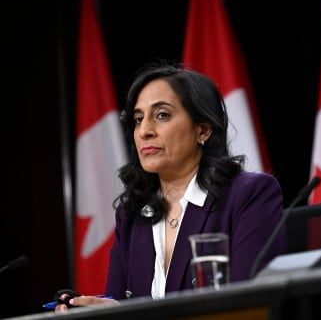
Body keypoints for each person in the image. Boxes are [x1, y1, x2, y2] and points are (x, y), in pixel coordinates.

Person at [56, 64, 286, 310]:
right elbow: (121, 304)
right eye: (138, 119)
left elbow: (249, 308)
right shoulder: (132, 214)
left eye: (162, 115)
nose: (144, 131)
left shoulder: (248, 195)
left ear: (203, 130)